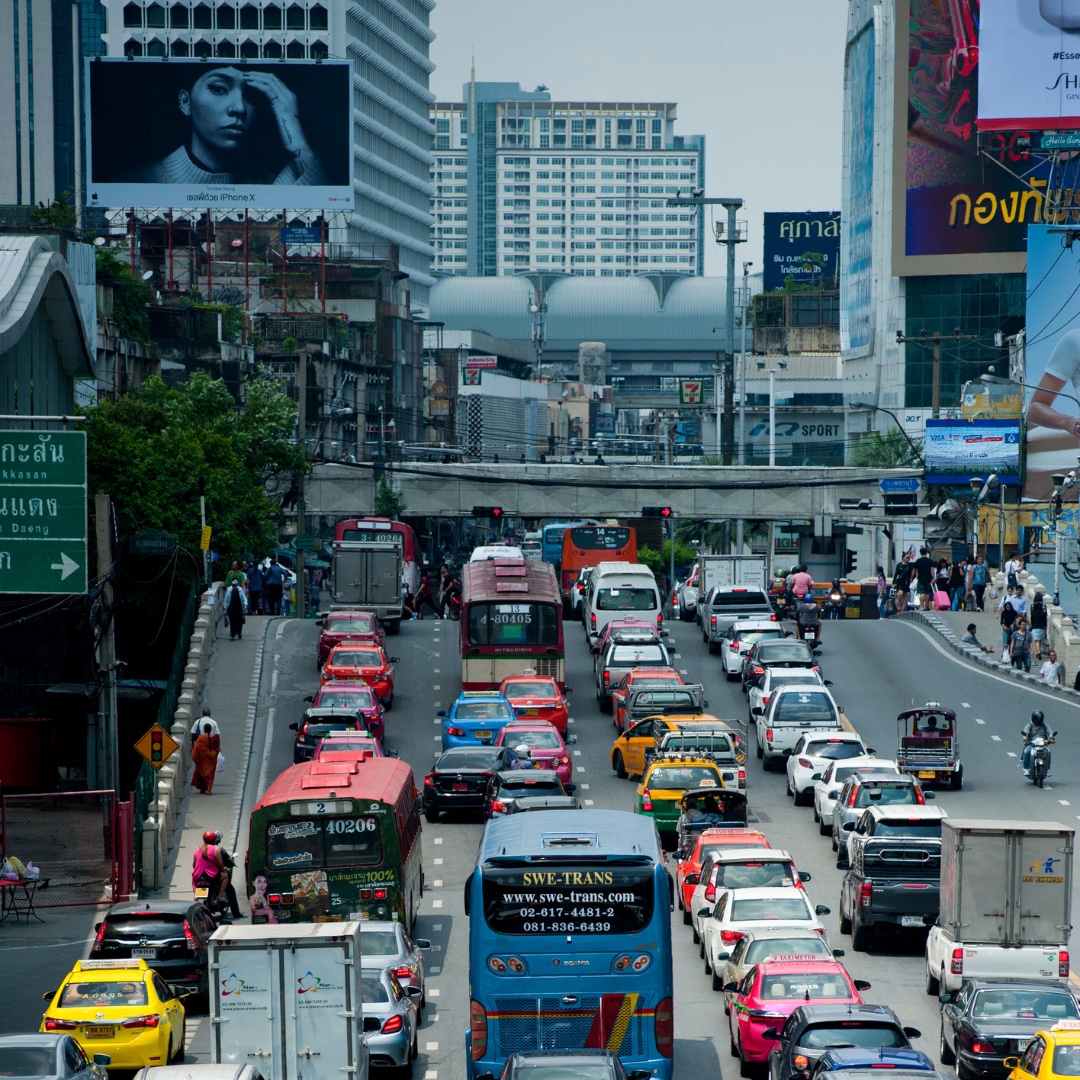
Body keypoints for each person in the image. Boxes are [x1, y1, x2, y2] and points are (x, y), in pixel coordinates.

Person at [128, 65, 327, 187]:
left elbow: (320, 206)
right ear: (185, 102)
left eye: (250, 95)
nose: (239, 108)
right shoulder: (138, 179)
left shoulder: (270, 183)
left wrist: (291, 123)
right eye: (218, 89)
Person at [191, 829, 230, 911]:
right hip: (211, 875)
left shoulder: (197, 849)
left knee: (195, 882)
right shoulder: (216, 849)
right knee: (225, 875)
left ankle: (196, 895)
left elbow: (194, 864)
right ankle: (220, 896)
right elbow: (220, 864)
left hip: (198, 875)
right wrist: (223, 871)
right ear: (214, 839)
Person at [212, 830, 242, 920]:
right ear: (218, 839)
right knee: (230, 890)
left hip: (202, 875)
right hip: (215, 875)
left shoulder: (202, 849)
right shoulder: (219, 850)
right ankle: (235, 913)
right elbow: (226, 861)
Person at [191, 722, 220, 795]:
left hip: (203, 758)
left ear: (204, 729)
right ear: (211, 729)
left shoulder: (201, 737)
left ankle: (203, 788)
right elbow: (217, 747)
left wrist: (196, 757)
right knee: (210, 774)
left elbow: (197, 748)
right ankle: (208, 790)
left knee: (202, 772)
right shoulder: (214, 737)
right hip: (211, 758)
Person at [1021, 710, 1052, 777]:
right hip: (1031, 744)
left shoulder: (1045, 726)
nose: (1039, 720)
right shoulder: (1029, 726)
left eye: (1040, 719)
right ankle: (1026, 768)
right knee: (1027, 751)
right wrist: (1026, 739)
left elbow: (1050, 732)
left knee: (1048, 752)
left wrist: (1051, 738)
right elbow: (1025, 733)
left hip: (1043, 744)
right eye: (1037, 719)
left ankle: (1048, 769)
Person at [1030, 592, 1049, 659]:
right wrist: (1045, 627)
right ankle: (1038, 651)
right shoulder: (1044, 606)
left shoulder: (1032, 606)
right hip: (1042, 626)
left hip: (1035, 626)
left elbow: (1031, 618)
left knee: (1036, 640)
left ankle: (1038, 652)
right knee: (1039, 639)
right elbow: (1045, 618)